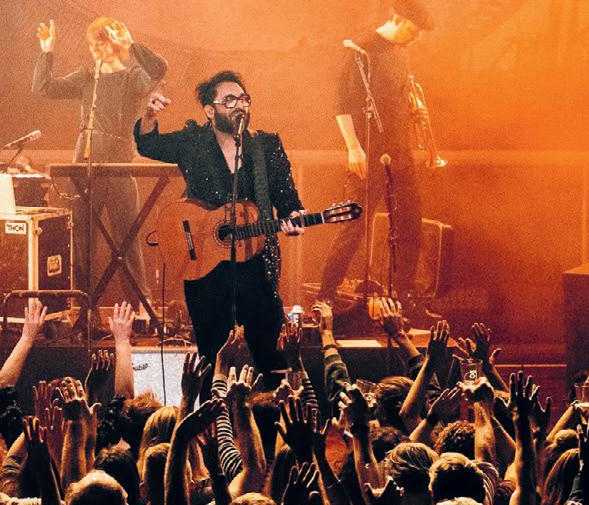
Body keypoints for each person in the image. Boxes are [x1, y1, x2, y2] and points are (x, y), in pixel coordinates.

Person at [135, 70, 307, 374]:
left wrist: (294, 216)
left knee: (271, 358)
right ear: (210, 111)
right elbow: (149, 145)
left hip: (258, 266)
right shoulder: (193, 142)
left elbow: (287, 197)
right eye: (229, 99)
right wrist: (149, 115)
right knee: (212, 360)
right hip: (205, 267)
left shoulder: (266, 146)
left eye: (243, 98)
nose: (240, 105)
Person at [33, 16, 168, 302]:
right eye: (93, 44)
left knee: (126, 240)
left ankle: (139, 306)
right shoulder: (86, 77)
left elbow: (159, 69)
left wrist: (132, 44)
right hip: (85, 167)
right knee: (82, 241)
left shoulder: (132, 77)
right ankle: (85, 308)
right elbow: (44, 87)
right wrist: (47, 51)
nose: (96, 49)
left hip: (119, 168)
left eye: (102, 42)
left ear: (114, 43)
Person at [318, 1, 435, 309]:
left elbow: (397, 93)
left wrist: (413, 107)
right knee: (354, 225)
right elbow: (342, 103)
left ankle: (405, 295)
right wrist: (353, 146)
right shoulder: (361, 50)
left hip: (400, 152)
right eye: (414, 30)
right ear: (398, 19)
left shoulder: (402, 52)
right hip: (369, 150)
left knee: (410, 224)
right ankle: (326, 293)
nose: (416, 37)